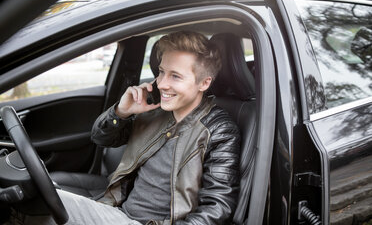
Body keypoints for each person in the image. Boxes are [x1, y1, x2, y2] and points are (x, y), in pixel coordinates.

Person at [8, 31, 240, 225]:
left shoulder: (219, 130)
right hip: (117, 209)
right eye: (161, 72)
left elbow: (217, 207)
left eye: (175, 76)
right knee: (38, 201)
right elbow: (101, 138)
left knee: (39, 207)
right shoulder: (156, 110)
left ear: (204, 83)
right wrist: (121, 111)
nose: (162, 83)